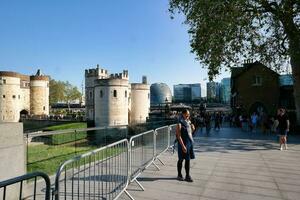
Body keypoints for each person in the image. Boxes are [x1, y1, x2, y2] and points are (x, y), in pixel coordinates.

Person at [176, 109, 195, 182]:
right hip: (182, 144)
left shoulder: (189, 123)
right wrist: (183, 146)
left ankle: (187, 175)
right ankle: (179, 174)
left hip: (189, 143)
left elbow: (189, 134)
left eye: (189, 114)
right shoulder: (179, 124)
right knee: (181, 159)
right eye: (187, 114)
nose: (188, 115)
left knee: (188, 160)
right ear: (183, 114)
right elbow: (178, 136)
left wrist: (193, 129)